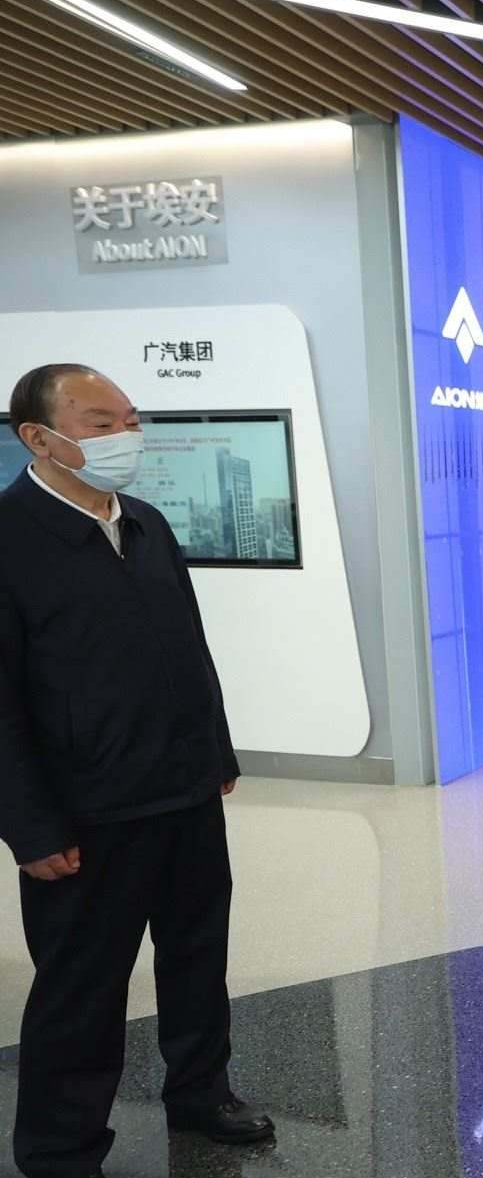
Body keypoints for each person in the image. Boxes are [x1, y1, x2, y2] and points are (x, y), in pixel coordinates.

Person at [2, 365, 272, 1178]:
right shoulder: (11, 538)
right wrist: (29, 827)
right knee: (81, 985)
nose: (125, 435)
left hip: (183, 791)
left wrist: (215, 750)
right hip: (85, 813)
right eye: (100, 422)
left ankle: (201, 1091)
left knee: (197, 957)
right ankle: (60, 1144)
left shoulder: (145, 523)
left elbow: (188, 648)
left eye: (130, 419)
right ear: (39, 437)